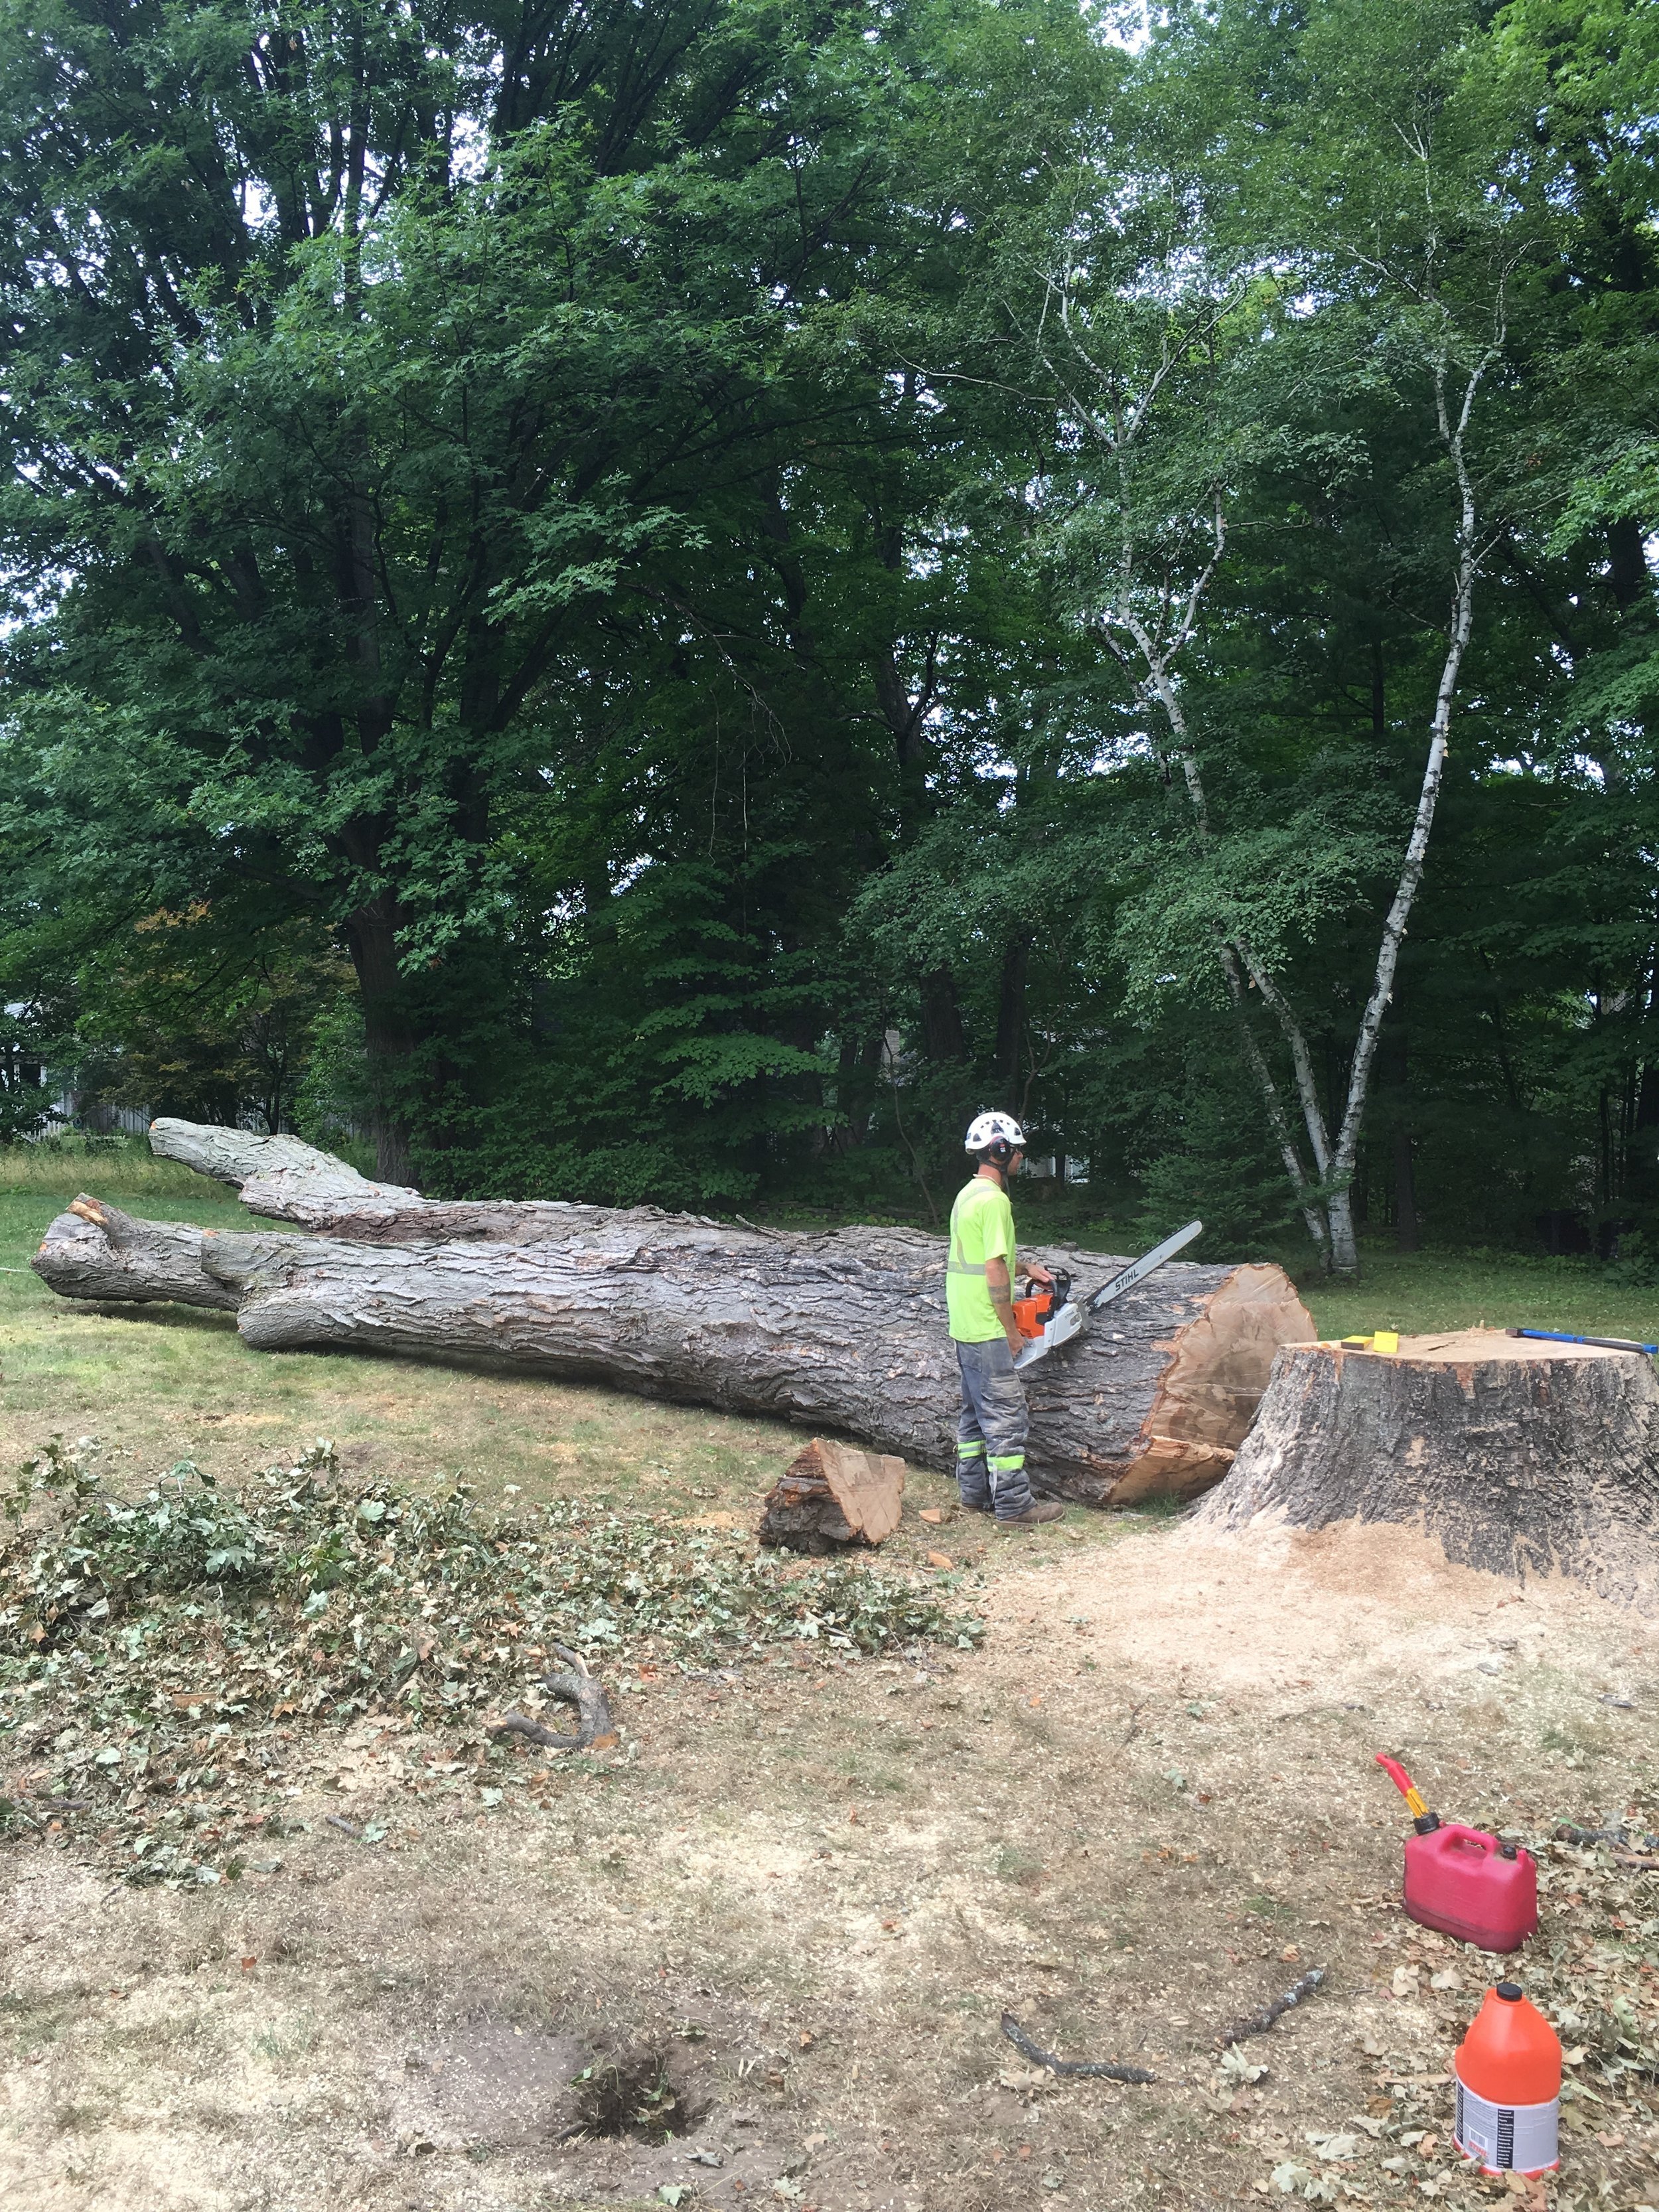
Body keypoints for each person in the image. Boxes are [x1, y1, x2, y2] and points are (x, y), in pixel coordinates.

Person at [946, 1112, 1066, 1528]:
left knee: (974, 1412)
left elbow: (980, 1261)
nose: (1020, 1158)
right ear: (1001, 1150)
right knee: (1006, 1415)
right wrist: (1011, 1329)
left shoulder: (968, 1194)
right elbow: (993, 1269)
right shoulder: (996, 1201)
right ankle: (1015, 1506)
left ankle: (974, 1493)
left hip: (963, 1322)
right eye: (1017, 1151)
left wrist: (1027, 1266)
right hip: (987, 1324)